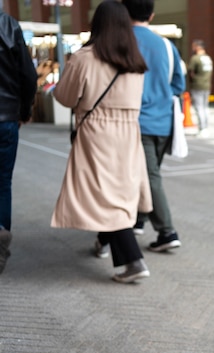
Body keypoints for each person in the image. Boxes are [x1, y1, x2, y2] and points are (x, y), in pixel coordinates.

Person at [51, 0, 152, 284]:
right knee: (115, 191)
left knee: (102, 193)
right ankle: (103, 241)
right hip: (129, 134)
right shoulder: (136, 61)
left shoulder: (84, 58)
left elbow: (66, 98)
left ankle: (133, 261)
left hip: (97, 134)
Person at [122, 0, 185, 252]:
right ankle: (138, 219)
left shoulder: (122, 42)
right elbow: (179, 85)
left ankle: (167, 231)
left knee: (149, 177)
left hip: (136, 123)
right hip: (164, 124)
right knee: (148, 175)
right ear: (152, 15)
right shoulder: (168, 46)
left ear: (124, 12)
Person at [0, 9, 38, 274]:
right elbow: (28, 75)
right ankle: (0, 239)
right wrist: (24, 110)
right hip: (6, 117)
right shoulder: (8, 25)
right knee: (2, 182)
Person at [188, 39, 213, 138]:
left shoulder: (195, 58)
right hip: (206, 85)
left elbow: (191, 72)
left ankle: (202, 128)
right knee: (205, 107)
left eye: (194, 46)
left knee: (199, 108)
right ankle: (206, 127)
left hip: (197, 85)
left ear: (197, 47)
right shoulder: (208, 58)